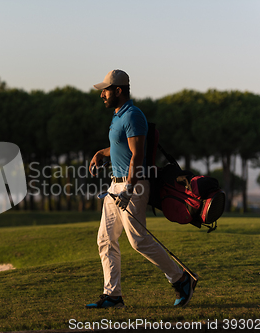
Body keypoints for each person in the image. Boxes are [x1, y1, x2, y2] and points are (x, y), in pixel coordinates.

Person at [86, 69, 196, 309]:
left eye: (105, 90)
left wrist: (128, 189)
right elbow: (120, 147)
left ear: (118, 90)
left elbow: (138, 154)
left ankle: (180, 279)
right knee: (105, 240)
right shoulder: (118, 115)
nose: (102, 94)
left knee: (138, 241)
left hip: (132, 185)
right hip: (115, 184)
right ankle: (113, 295)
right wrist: (100, 153)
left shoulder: (133, 115)